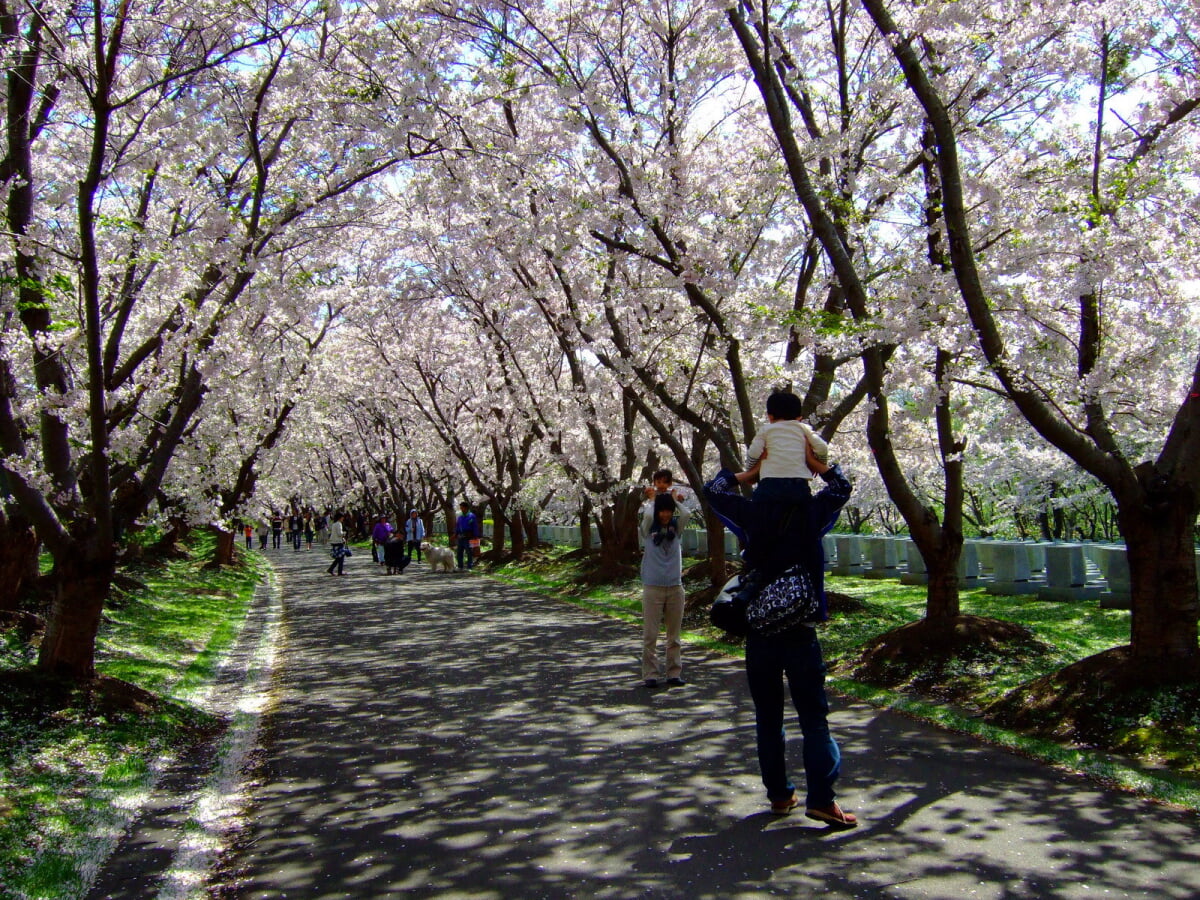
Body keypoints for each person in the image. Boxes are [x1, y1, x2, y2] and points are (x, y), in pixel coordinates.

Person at [704, 439, 858, 827]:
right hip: (801, 632)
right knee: (814, 719)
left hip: (761, 633)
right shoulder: (812, 512)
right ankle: (822, 799)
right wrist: (816, 464)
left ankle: (779, 795)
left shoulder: (751, 512)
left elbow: (714, 491)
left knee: (768, 718)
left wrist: (750, 472)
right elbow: (841, 489)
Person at [735, 391, 829, 503]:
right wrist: (819, 463)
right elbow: (822, 448)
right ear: (799, 417)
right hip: (798, 484)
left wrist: (750, 470)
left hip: (770, 483)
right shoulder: (804, 429)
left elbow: (754, 453)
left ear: (770, 417)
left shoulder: (766, 430)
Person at [639, 491, 691, 688]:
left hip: (675, 587)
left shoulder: (676, 529)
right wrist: (654, 500)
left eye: (668, 511)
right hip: (653, 588)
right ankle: (650, 674)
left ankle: (673, 673)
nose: (665, 514)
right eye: (662, 511)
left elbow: (686, 515)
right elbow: (649, 516)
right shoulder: (646, 531)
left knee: (674, 636)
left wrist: (675, 501)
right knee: (650, 635)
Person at [454, 502, 480, 571]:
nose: (461, 509)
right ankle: (460, 566)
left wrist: (476, 536)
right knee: (459, 552)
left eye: (462, 507)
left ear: (466, 508)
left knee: (469, 552)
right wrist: (455, 534)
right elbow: (457, 526)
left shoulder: (472, 516)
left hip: (468, 536)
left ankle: (469, 566)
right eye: (461, 508)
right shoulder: (460, 517)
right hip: (460, 536)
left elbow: (475, 526)